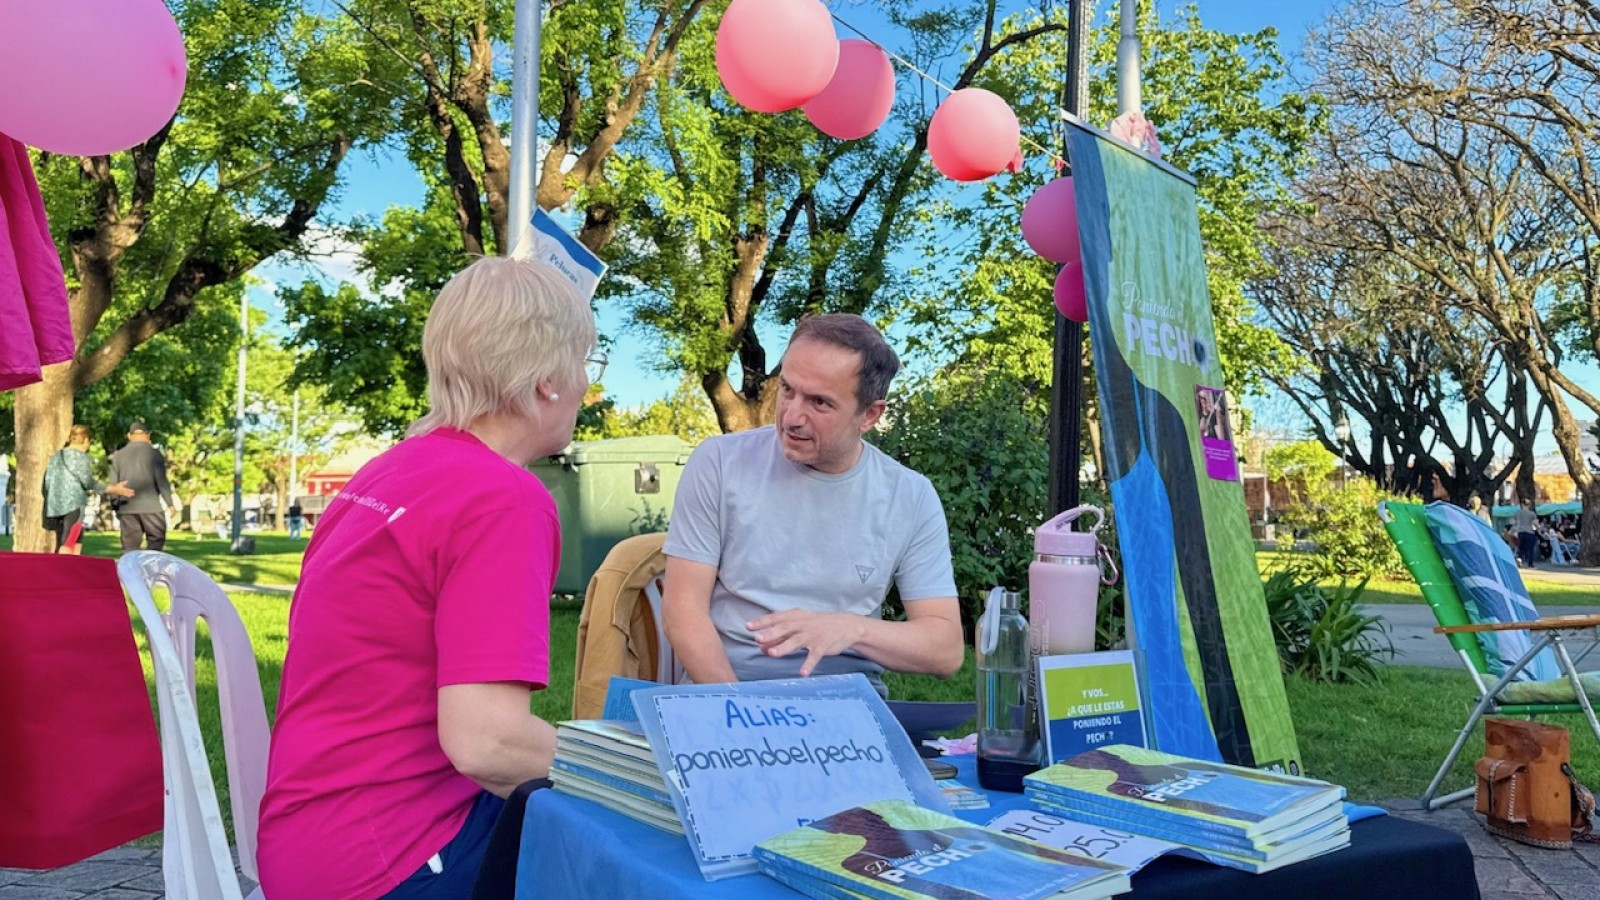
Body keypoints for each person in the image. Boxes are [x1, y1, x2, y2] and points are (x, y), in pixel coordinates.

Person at [258, 256, 599, 900]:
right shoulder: (505, 499)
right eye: (585, 362)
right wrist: (647, 780)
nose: (587, 382)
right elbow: (488, 744)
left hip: (305, 838)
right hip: (390, 861)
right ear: (548, 379)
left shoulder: (388, 470)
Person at [661, 314, 963, 691]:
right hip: (726, 694)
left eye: (819, 402)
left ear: (870, 414)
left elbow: (946, 651)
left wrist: (848, 628)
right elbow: (682, 612)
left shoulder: (910, 496)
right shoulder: (719, 463)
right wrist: (740, 712)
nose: (792, 416)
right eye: (788, 389)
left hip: (847, 710)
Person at [41, 424, 132, 553]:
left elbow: (47, 482)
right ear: (84, 440)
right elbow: (88, 482)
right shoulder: (80, 457)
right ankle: (62, 568)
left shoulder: (57, 456)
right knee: (69, 540)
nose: (89, 446)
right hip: (74, 504)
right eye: (89, 441)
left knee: (75, 536)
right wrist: (113, 488)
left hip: (56, 504)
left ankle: (74, 568)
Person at [107, 421, 180, 551]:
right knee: (156, 541)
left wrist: (115, 505)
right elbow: (161, 480)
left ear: (129, 436)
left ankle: (131, 570)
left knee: (130, 548)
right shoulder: (154, 454)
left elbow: (113, 484)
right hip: (150, 507)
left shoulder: (117, 456)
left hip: (127, 507)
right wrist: (170, 503)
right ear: (148, 435)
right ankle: (151, 569)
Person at [1511, 498, 1540, 568]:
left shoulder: (1517, 513)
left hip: (1521, 532)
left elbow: (1513, 522)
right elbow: (1535, 523)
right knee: (1530, 549)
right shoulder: (1532, 514)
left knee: (1520, 547)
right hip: (1530, 532)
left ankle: (1519, 559)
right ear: (1529, 505)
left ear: (1522, 504)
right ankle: (1530, 563)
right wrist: (1537, 528)